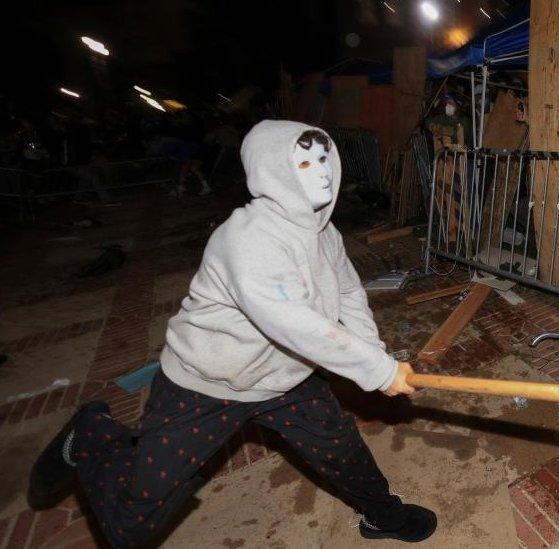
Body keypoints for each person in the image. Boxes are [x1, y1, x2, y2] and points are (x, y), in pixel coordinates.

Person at [28, 120, 436, 547]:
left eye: (323, 159)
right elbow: (292, 321)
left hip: (285, 376)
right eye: (303, 162)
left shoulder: (323, 232)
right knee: (132, 522)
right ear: (272, 171)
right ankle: (91, 433)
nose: (322, 173)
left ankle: (383, 515)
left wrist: (373, 350)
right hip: (206, 382)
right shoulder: (247, 238)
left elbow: (349, 290)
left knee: (341, 449)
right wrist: (377, 370)